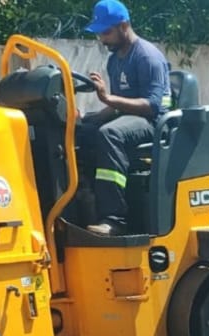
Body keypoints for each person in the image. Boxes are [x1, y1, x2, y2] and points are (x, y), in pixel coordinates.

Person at [75, 0, 171, 235]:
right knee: (82, 130)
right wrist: (89, 117)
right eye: (99, 33)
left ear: (123, 25)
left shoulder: (147, 57)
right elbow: (118, 103)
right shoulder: (115, 60)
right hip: (129, 116)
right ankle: (85, 206)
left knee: (110, 134)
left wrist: (107, 100)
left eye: (106, 32)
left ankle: (115, 219)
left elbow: (151, 106)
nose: (102, 39)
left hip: (154, 121)